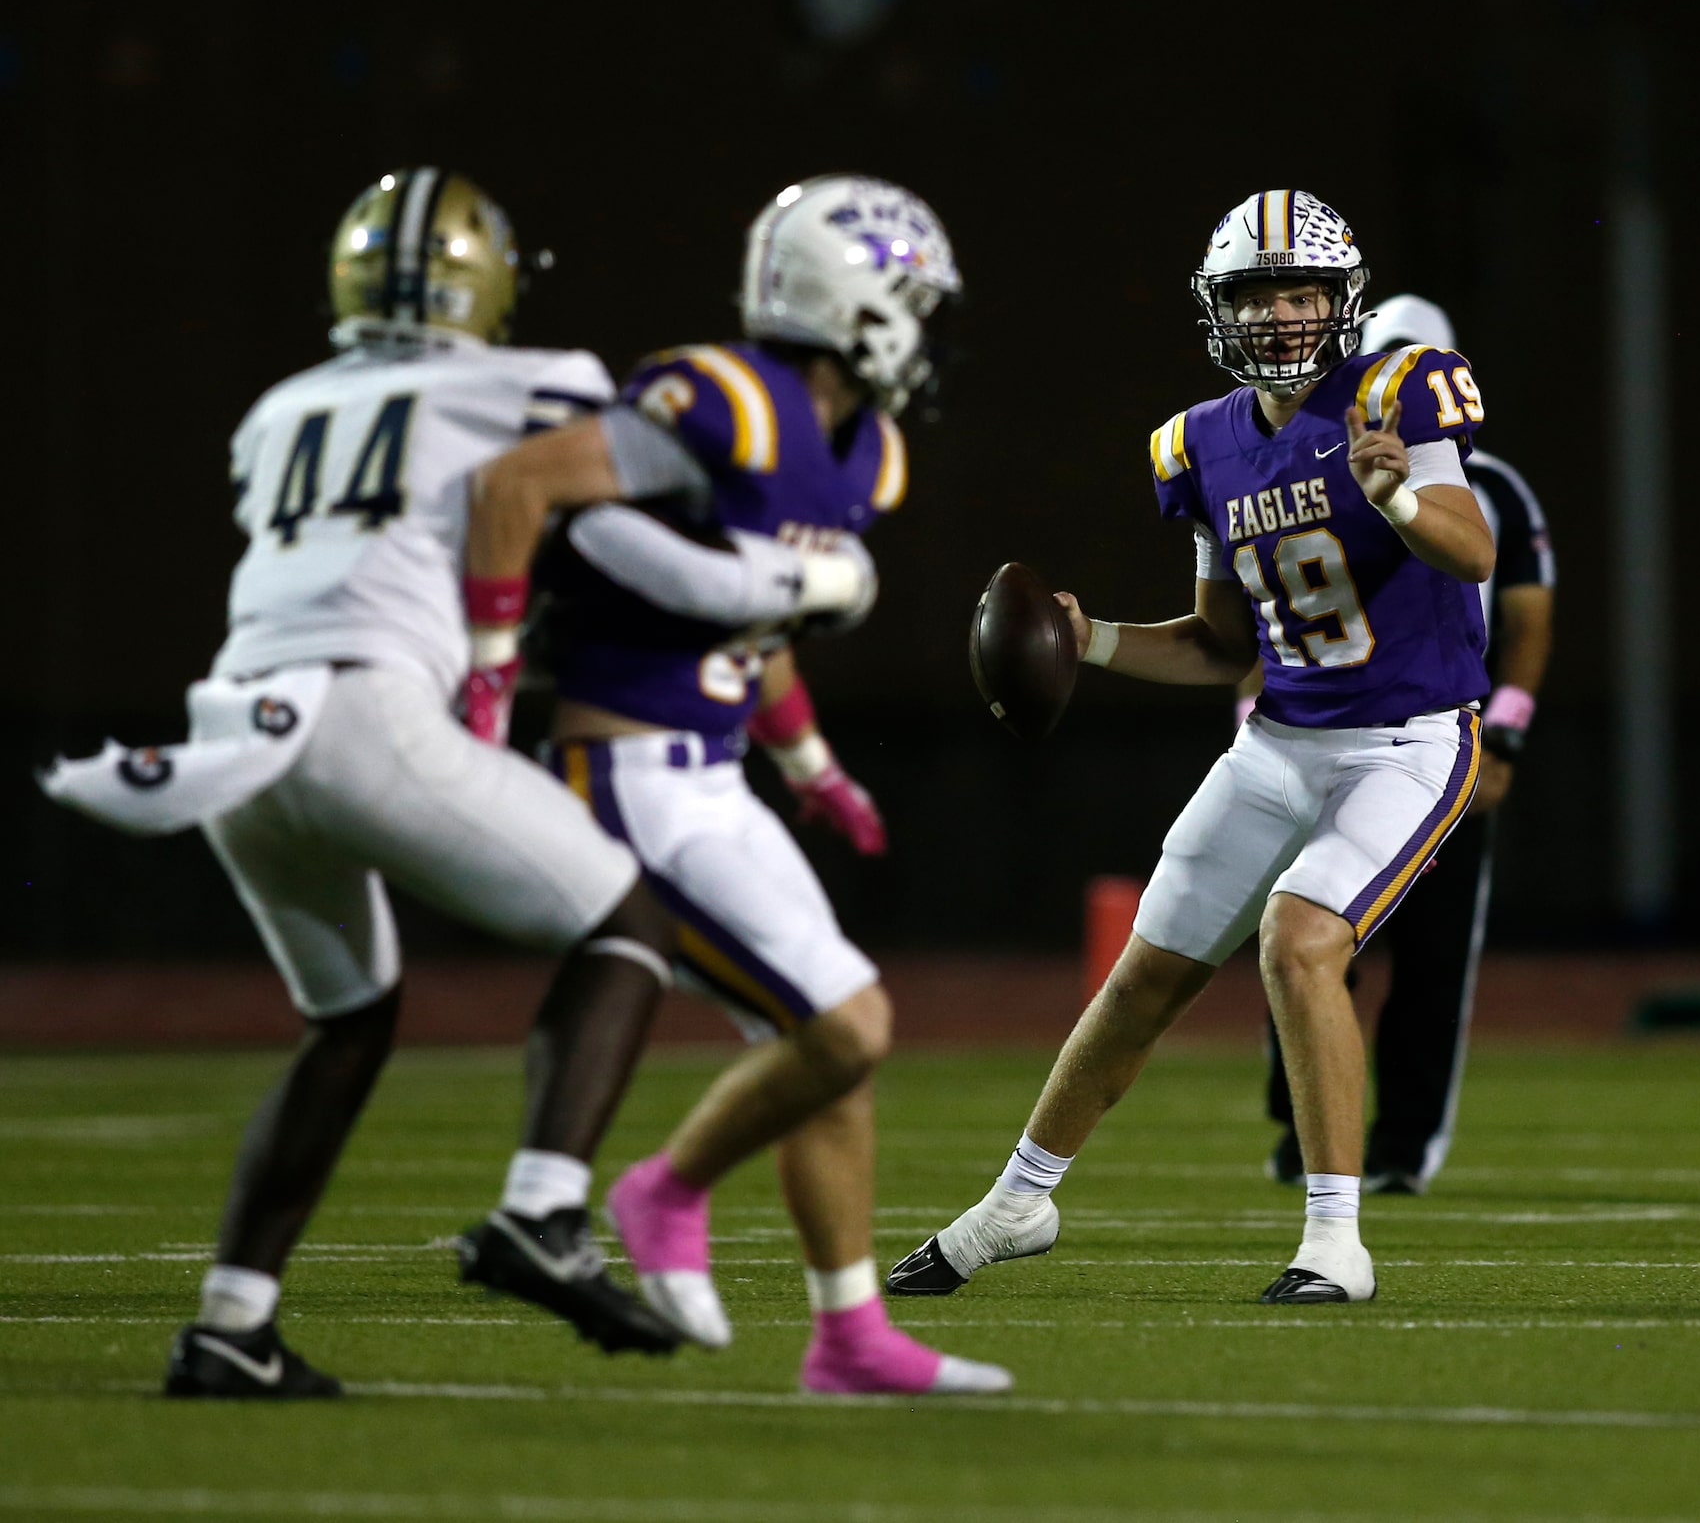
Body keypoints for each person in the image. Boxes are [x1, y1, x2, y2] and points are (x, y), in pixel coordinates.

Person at [44, 167, 687, 1396]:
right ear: (482, 281)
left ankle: (231, 1326)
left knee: (348, 1023)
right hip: (362, 712)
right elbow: (659, 464)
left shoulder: (277, 408)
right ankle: (544, 1211)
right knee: (626, 925)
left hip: (235, 730)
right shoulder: (524, 379)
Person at [888, 189, 1495, 1306]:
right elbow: (1223, 645)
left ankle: (1335, 1242)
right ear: (1221, 309)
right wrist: (1093, 638)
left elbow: (1471, 548)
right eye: (1257, 296)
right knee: (1144, 977)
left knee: (1300, 939)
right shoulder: (1198, 445)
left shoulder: (1397, 396)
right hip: (1281, 738)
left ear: (1340, 300)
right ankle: (1021, 1200)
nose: (1278, 316)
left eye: (1300, 292)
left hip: (1405, 743)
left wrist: (1399, 498)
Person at [461, 175, 1010, 1391]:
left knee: (833, 1037)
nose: (925, 327)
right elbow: (521, 492)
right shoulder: (719, 399)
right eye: (912, 299)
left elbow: (755, 630)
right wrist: (491, 683)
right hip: (622, 771)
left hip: (714, 774)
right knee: (846, 1021)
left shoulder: (868, 452)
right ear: (854, 298)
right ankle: (664, 1193)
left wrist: (810, 762)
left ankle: (849, 1338)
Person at [1259, 293, 1556, 1194]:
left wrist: (1503, 735)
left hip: (1432, 740)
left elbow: (1526, 617)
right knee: (1303, 940)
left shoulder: (1490, 483)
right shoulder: (1295, 455)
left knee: (1431, 957)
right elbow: (1261, 607)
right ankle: (1301, 1130)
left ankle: (1404, 1144)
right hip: (1318, 736)